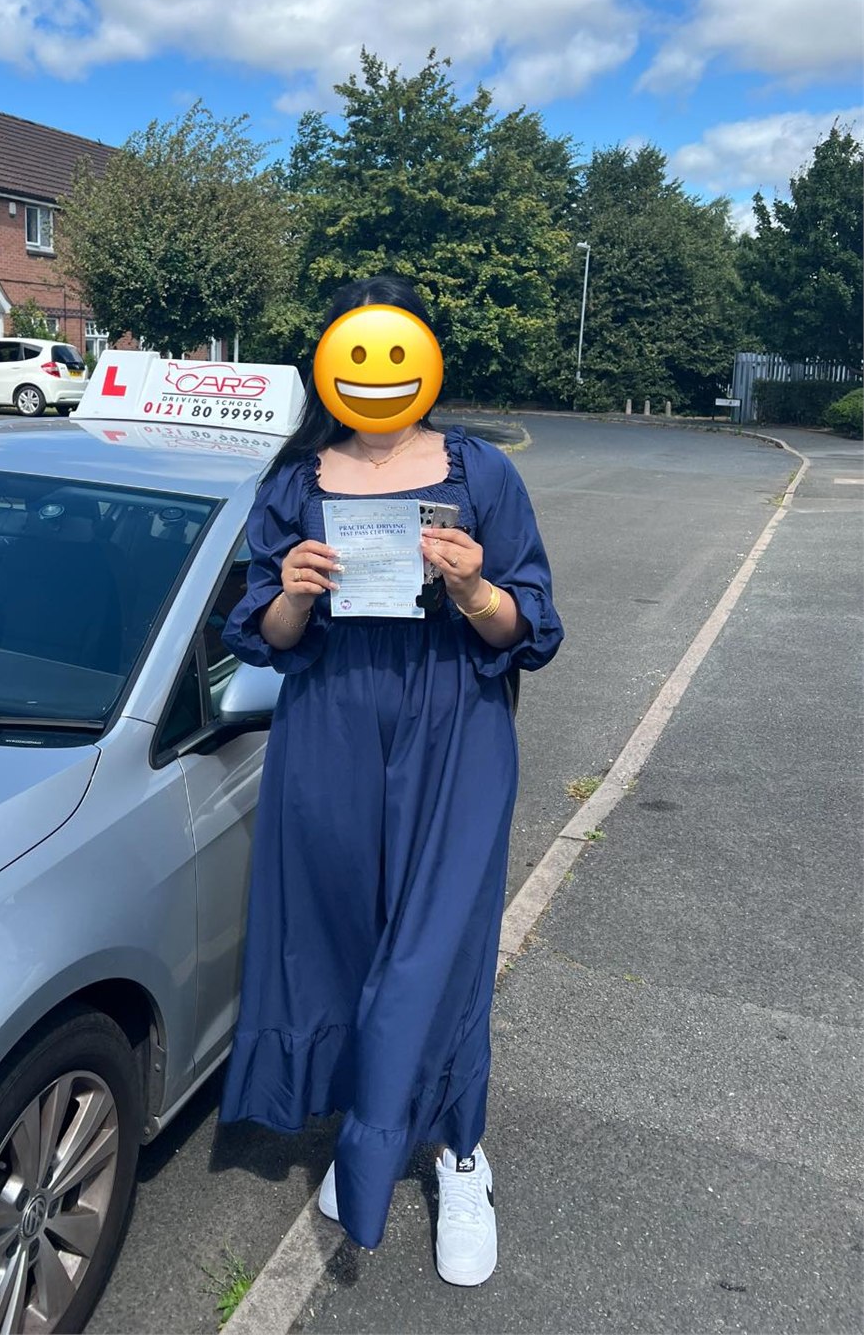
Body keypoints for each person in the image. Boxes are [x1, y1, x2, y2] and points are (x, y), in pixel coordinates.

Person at [219, 274, 563, 1284]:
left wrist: (472, 585)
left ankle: (460, 1152)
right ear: (328, 360)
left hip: (455, 728)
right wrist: (288, 594)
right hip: (329, 730)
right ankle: (367, 1126)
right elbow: (271, 640)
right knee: (342, 940)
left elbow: (528, 629)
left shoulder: (481, 473)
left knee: (438, 953)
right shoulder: (293, 482)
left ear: (422, 355)